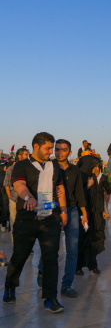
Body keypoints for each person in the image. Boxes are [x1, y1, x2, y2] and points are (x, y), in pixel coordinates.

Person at [3, 132, 68, 313]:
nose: (51, 152)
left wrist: (63, 211)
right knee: (19, 257)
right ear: (37, 147)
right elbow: (19, 185)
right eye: (48, 148)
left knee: (51, 258)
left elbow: (60, 188)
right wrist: (29, 198)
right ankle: (10, 286)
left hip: (50, 219)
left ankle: (50, 298)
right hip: (27, 219)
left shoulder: (54, 165)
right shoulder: (21, 165)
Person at [37, 140, 88, 298]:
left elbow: (79, 192)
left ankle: (67, 285)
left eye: (64, 150)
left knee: (72, 251)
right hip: (53, 211)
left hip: (72, 211)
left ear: (70, 152)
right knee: (51, 248)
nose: (59, 153)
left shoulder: (75, 171)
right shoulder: (48, 167)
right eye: (57, 149)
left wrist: (84, 213)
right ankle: (42, 269)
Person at [76, 155, 110, 275]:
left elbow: (97, 198)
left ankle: (93, 265)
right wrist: (88, 185)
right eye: (95, 165)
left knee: (95, 240)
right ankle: (78, 267)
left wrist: (102, 211)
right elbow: (79, 196)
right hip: (84, 215)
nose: (97, 167)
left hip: (95, 215)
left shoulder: (93, 178)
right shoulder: (80, 177)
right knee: (83, 240)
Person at [3, 148, 29, 238]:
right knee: (14, 224)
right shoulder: (11, 169)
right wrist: (11, 198)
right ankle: (16, 248)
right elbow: (6, 185)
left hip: (27, 202)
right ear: (19, 156)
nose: (28, 156)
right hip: (14, 200)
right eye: (26, 154)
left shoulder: (29, 169)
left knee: (27, 226)